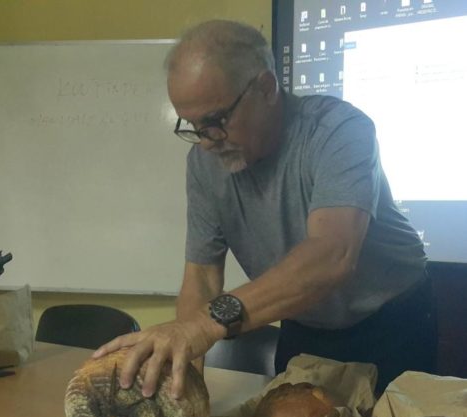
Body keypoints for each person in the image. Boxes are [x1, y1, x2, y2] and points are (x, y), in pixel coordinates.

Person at [93, 20, 437, 397]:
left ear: (266, 88)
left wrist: (206, 325)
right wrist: (184, 386)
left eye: (215, 122)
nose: (207, 142)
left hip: (390, 322)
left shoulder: (339, 131)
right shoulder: (204, 163)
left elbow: (333, 254)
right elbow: (202, 279)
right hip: (302, 324)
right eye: (192, 126)